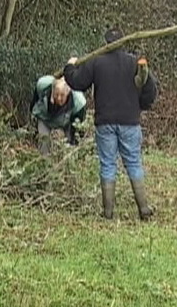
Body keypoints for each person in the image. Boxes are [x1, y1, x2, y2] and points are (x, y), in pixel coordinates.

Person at [63, 28, 158, 220]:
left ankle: (108, 213)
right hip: (130, 122)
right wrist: (141, 105)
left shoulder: (96, 62)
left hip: (105, 122)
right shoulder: (134, 62)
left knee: (107, 164)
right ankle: (144, 209)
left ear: (106, 43)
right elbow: (151, 88)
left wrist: (69, 67)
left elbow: (77, 82)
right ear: (123, 42)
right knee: (133, 162)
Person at [30, 75, 87, 155]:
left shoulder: (78, 102)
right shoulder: (43, 86)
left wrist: (76, 144)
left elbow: (78, 128)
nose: (59, 98)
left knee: (70, 147)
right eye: (56, 94)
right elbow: (33, 104)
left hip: (66, 120)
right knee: (44, 143)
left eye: (62, 95)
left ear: (67, 93)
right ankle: (44, 162)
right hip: (44, 118)